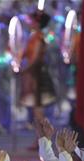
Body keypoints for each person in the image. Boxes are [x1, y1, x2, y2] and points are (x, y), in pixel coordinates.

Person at [19, 11, 55, 148]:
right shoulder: (33, 37)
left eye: (32, 21)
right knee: (36, 111)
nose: (30, 23)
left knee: (38, 111)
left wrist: (24, 70)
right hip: (33, 76)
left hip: (37, 77)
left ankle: (42, 139)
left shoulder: (38, 38)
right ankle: (41, 139)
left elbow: (34, 59)